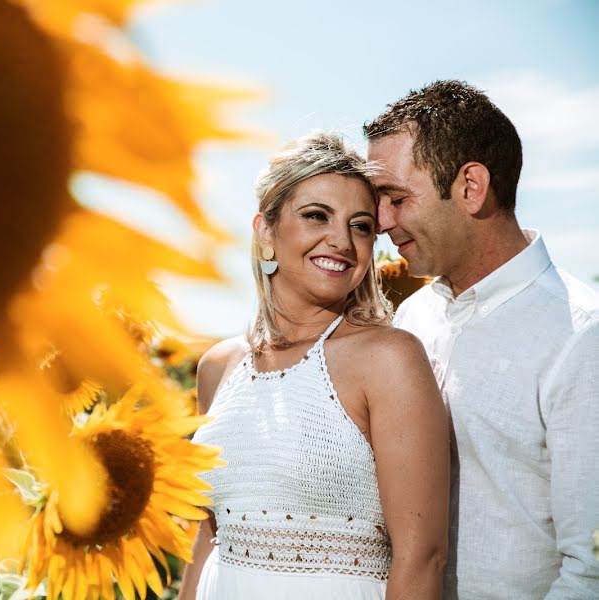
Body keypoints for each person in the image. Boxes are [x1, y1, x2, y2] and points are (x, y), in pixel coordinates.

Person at [179, 132, 450, 600]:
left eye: (361, 226)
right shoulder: (218, 367)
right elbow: (208, 533)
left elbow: (422, 557)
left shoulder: (389, 359)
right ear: (265, 230)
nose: (341, 241)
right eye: (315, 216)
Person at [365, 80, 599, 599]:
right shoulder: (411, 319)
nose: (381, 222)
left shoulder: (582, 337)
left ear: (471, 186)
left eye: (396, 198)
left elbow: (591, 569)